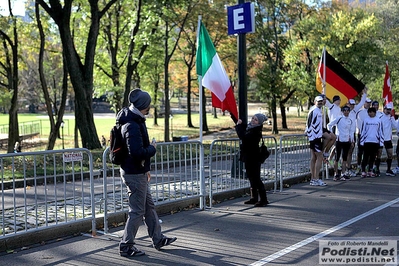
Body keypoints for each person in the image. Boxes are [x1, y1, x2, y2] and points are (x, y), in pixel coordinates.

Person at [117, 88, 176, 257]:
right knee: (137, 210)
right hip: (134, 173)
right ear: (144, 105)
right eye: (148, 104)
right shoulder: (132, 125)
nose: (150, 107)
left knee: (148, 206)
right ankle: (126, 245)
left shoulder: (135, 118)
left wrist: (146, 169)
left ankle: (158, 238)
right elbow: (136, 152)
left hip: (138, 171)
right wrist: (152, 149)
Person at [235, 113, 269, 207]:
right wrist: (240, 124)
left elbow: (244, 137)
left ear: (259, 122)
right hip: (249, 157)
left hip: (254, 157)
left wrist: (238, 127)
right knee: (251, 177)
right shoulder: (250, 128)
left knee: (256, 178)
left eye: (256, 120)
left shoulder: (255, 131)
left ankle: (263, 199)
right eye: (253, 118)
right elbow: (244, 132)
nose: (253, 120)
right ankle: (254, 197)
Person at [327, 105, 355, 181]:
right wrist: (331, 134)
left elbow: (351, 131)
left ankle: (343, 173)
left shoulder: (351, 120)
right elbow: (329, 124)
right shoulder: (339, 118)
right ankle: (336, 174)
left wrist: (352, 140)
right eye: (345, 111)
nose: (346, 112)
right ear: (342, 111)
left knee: (344, 158)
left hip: (347, 141)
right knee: (337, 158)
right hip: (339, 140)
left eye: (348, 111)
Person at [306, 95, 327, 186]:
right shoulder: (314, 110)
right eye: (318, 101)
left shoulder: (319, 110)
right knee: (319, 156)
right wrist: (311, 135)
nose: (320, 102)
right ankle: (316, 178)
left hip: (317, 136)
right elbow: (309, 123)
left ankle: (313, 179)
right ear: (315, 102)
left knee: (314, 157)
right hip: (314, 137)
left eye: (321, 101)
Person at [359, 107, 384, 178]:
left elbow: (381, 132)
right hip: (367, 141)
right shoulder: (366, 120)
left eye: (372, 112)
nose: (371, 113)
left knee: (373, 157)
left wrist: (381, 143)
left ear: (375, 113)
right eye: (369, 112)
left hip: (375, 142)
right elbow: (363, 131)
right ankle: (363, 171)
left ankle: (370, 170)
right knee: (365, 157)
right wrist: (362, 142)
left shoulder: (378, 120)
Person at [375, 103, 396, 176]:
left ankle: (388, 169)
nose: (388, 111)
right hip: (381, 139)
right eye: (387, 109)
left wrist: (392, 118)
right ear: (384, 109)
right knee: (379, 154)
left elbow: (395, 126)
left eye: (390, 110)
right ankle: (377, 169)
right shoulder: (380, 117)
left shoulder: (391, 118)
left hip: (388, 139)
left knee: (390, 154)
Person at [355, 98, 372, 175]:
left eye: (369, 103)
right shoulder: (359, 112)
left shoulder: (371, 112)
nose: (368, 104)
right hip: (361, 134)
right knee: (360, 152)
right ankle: (358, 166)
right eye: (366, 102)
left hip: (369, 135)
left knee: (367, 152)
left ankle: (366, 166)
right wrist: (357, 130)